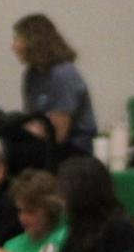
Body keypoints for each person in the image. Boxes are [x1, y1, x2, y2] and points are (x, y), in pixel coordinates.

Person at [15, 12, 97, 160]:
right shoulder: (32, 74)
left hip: (74, 148)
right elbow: (31, 119)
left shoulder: (63, 74)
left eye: (18, 39)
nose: (13, 46)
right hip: (44, 143)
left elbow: (59, 134)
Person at [2, 169, 67, 252]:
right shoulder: (11, 246)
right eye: (20, 211)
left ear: (50, 209)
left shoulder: (66, 238)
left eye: (31, 211)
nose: (23, 217)